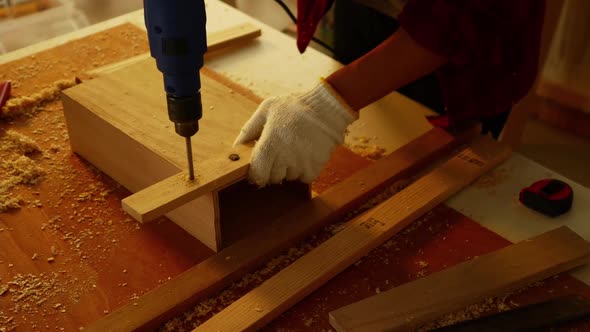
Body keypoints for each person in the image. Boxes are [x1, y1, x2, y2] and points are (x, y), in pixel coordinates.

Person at [233, 0, 546, 187]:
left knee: (437, 181)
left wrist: (325, 105)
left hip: (461, 52)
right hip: (366, 12)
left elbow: (467, 13)